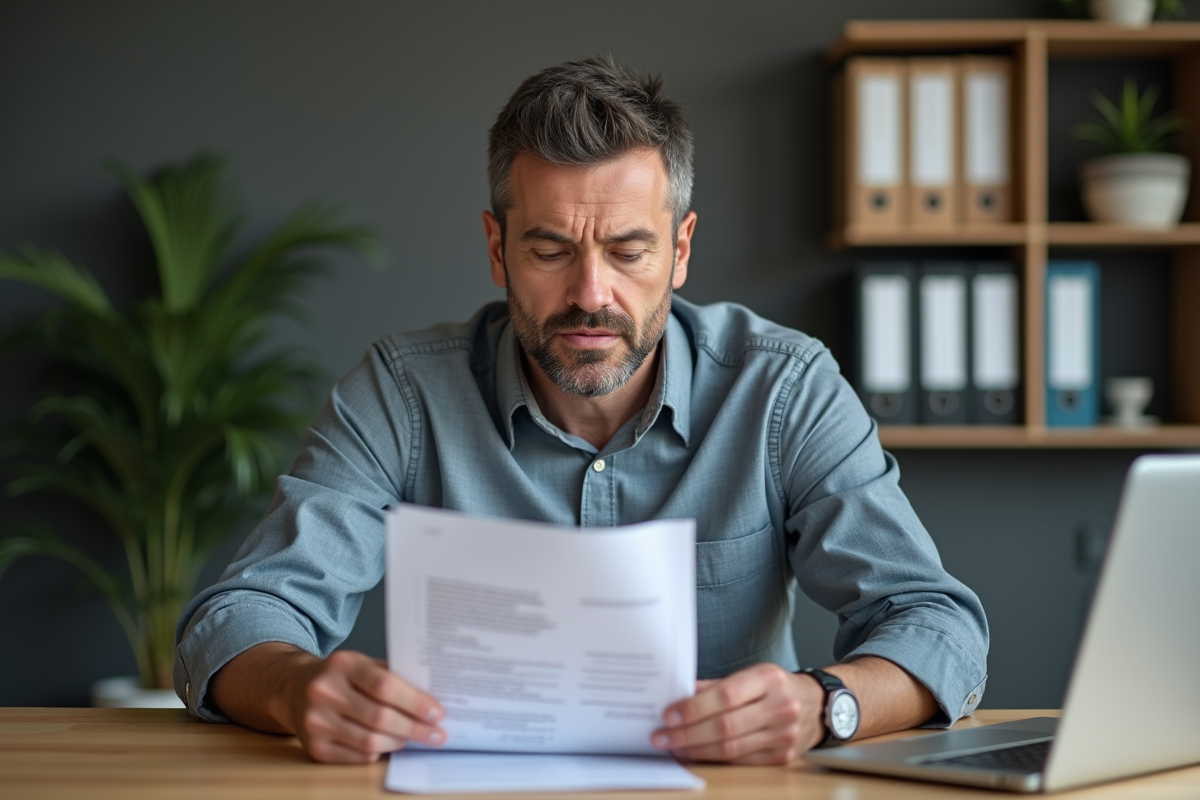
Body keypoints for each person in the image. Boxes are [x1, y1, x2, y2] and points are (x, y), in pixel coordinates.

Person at [175, 56, 988, 766]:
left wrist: (824, 706)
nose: (591, 295)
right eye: (550, 250)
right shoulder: (402, 393)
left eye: (629, 251)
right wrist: (297, 689)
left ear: (681, 250)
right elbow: (238, 617)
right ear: (497, 248)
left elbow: (934, 621)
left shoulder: (784, 390)